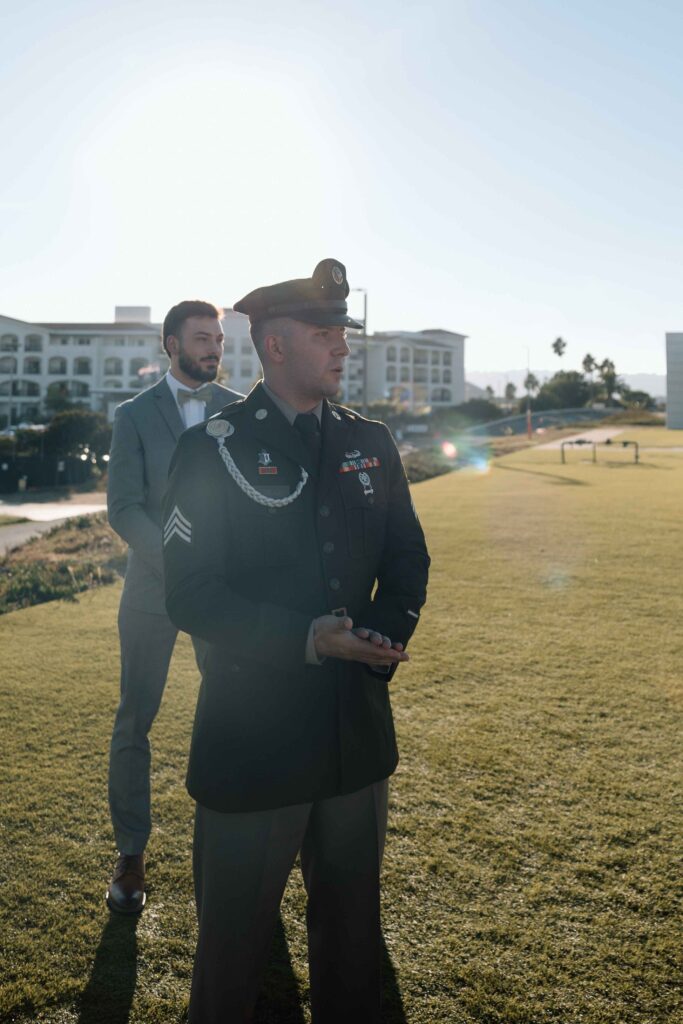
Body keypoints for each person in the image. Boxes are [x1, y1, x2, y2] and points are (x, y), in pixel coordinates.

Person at [162, 260, 430, 1022]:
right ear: (274, 347)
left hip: (354, 741)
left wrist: (382, 635)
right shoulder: (211, 448)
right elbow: (191, 593)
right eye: (325, 335)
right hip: (254, 747)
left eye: (343, 334)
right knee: (230, 967)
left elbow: (407, 560)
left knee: (352, 953)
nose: (343, 349)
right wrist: (307, 639)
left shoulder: (369, 440)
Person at [106, 300, 242, 914]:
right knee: (136, 719)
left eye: (218, 338)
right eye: (202, 339)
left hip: (223, 597)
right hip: (151, 593)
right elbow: (123, 507)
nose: (215, 348)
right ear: (171, 344)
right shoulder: (133, 416)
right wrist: (177, 560)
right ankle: (131, 854)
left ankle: (238, 843)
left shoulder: (238, 410)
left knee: (235, 708)